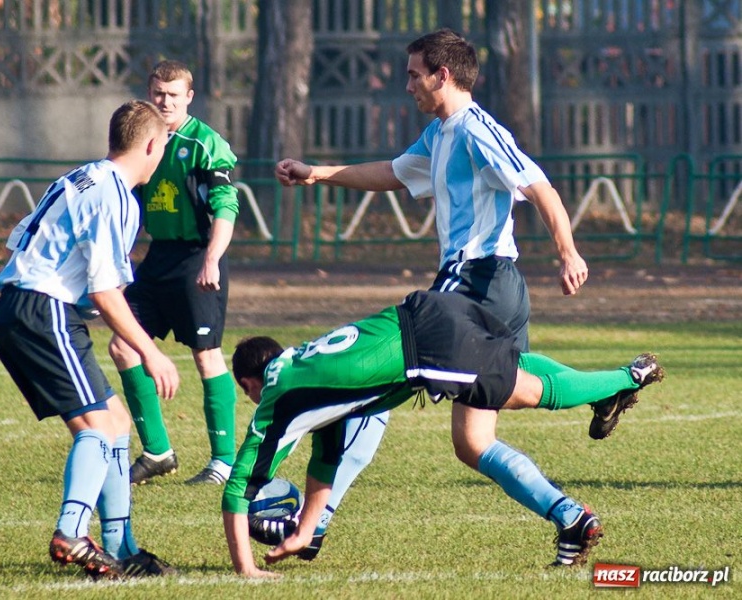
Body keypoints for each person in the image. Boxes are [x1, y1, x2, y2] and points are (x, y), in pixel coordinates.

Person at [273, 28, 592, 557]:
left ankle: (316, 522)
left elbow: (539, 186)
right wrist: (317, 174)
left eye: (414, 75)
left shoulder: (475, 129)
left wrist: (568, 250)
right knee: (473, 441)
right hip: (489, 286)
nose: (408, 86)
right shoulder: (441, 133)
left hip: (474, 283)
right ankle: (571, 517)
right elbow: (395, 173)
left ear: (442, 76)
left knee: (376, 375)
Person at [221, 291, 665, 578]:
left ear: (252, 383)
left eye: (247, 394)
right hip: (427, 310)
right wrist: (306, 528)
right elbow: (326, 456)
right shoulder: (303, 367)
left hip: (428, 347)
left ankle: (627, 376)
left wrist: (245, 567)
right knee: (515, 377)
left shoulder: (279, 398)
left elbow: (239, 486)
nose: (252, 401)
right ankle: (612, 390)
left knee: (524, 392)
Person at [0, 100, 180, 580]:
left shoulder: (86, 176)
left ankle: (121, 548)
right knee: (97, 429)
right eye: (163, 148)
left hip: (30, 307)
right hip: (42, 310)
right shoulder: (113, 194)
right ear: (152, 145)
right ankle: (72, 532)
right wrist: (150, 351)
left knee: (115, 422)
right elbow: (103, 291)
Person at [109, 60, 241, 486]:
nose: (164, 101)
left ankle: (223, 460)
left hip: (196, 259)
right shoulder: (144, 140)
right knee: (123, 346)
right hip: (158, 259)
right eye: (158, 93)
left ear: (189, 96)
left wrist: (212, 258)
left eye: (173, 94)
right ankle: (158, 452)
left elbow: (226, 204)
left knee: (205, 355)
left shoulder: (204, 143)